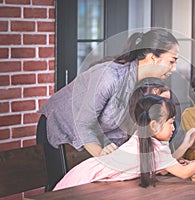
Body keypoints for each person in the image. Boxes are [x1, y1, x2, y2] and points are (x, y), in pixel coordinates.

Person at [36, 28, 180, 190]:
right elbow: (82, 123)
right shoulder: (110, 76)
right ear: (153, 57)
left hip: (88, 137)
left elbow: (127, 131)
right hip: (60, 126)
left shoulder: (142, 86)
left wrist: (163, 162)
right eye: (172, 61)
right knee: (59, 190)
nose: (174, 69)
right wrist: (102, 156)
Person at [53, 95, 195, 191]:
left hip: (86, 176)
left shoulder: (143, 137)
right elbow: (183, 173)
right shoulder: (150, 145)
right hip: (81, 181)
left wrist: (185, 144)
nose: (173, 127)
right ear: (153, 125)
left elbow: (160, 162)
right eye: (170, 122)